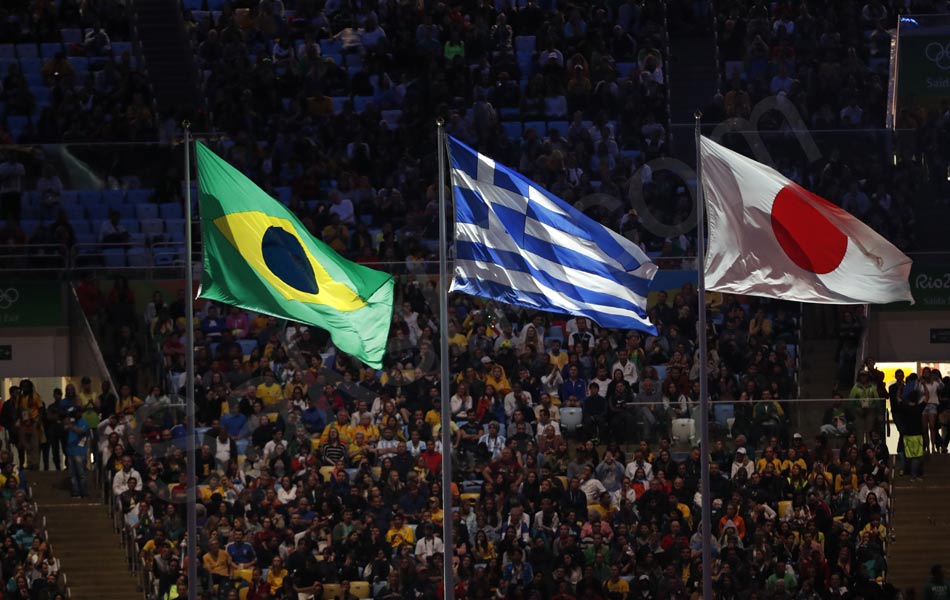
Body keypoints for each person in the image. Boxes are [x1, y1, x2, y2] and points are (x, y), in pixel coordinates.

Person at [64, 407, 90, 498]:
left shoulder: (84, 422)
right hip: (70, 450)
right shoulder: (71, 422)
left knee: (81, 473)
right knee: (72, 474)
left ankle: (83, 492)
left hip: (79, 451)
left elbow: (80, 431)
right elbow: (64, 429)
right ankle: (76, 492)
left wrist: (70, 425)